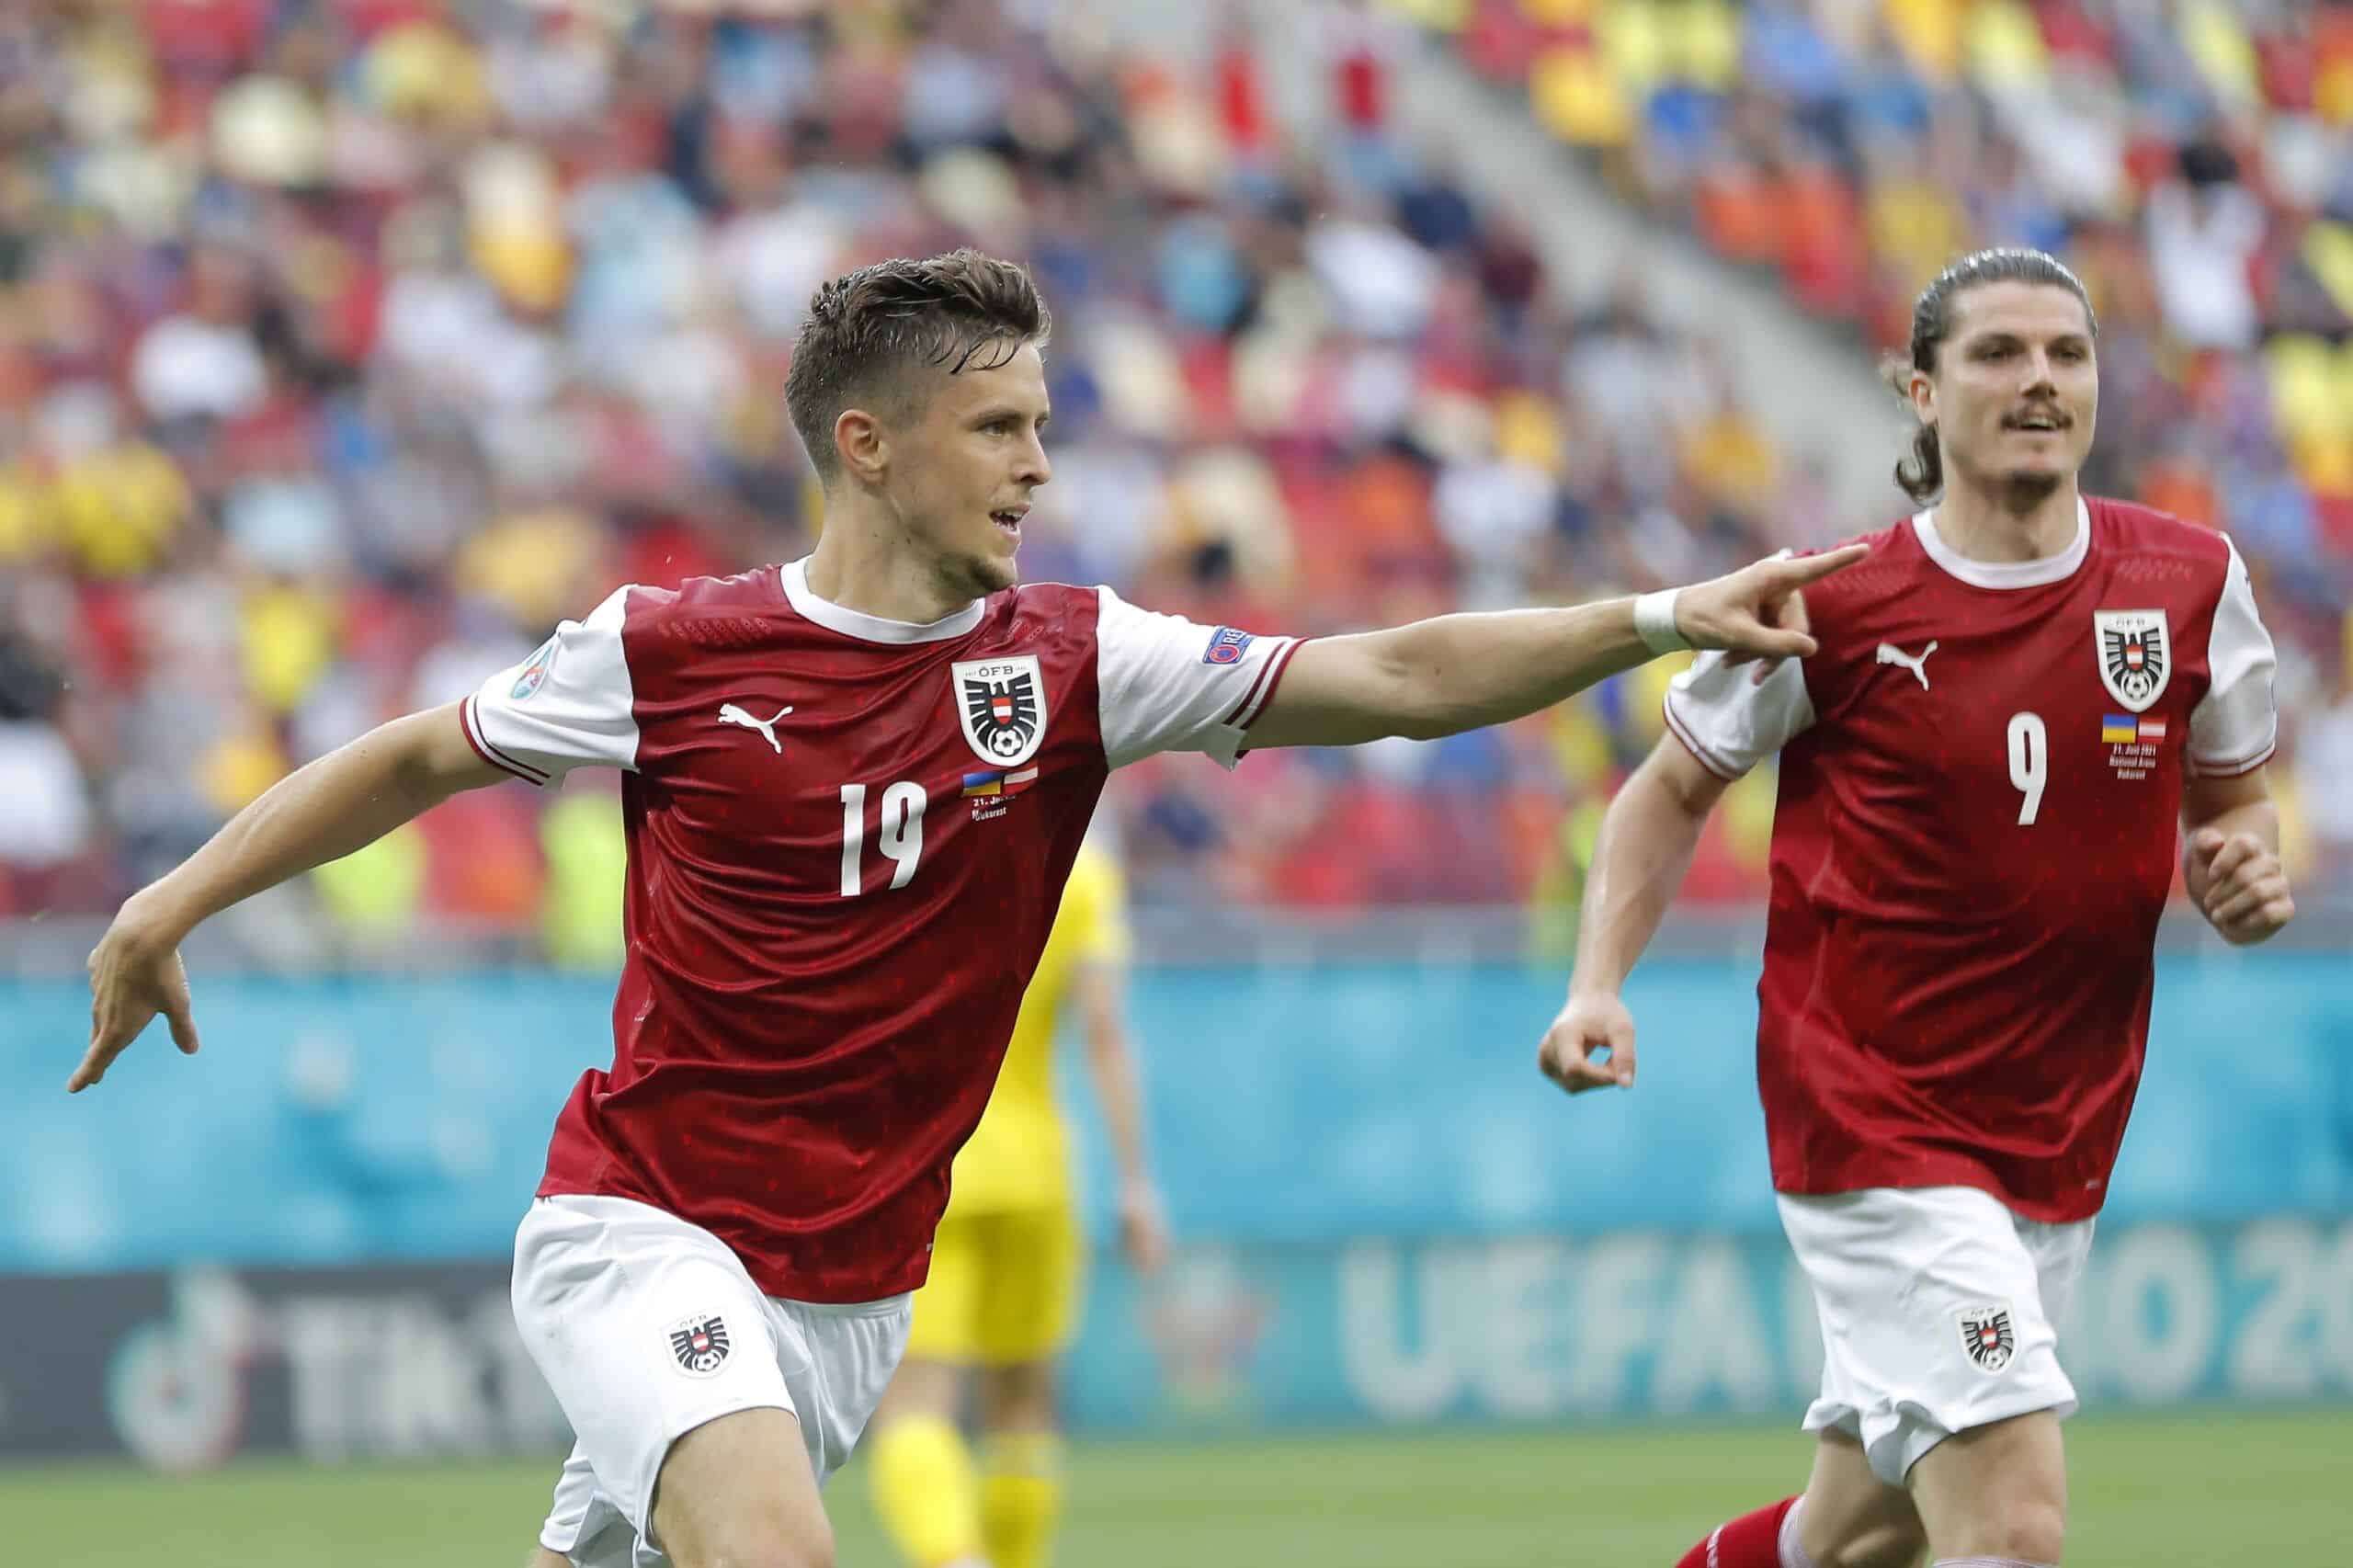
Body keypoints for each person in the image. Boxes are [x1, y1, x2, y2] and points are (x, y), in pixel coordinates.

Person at [72, 248, 1862, 1568]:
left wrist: (1648, 617)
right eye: (994, 426)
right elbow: (411, 757)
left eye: (1041, 425)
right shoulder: (672, 652)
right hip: (639, 1228)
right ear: (867, 444)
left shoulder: (1078, 662)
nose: (1034, 463)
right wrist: (170, 901)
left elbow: (1387, 673)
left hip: (853, 1293)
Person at [1535, 248, 2293, 1568]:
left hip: (2058, 1127)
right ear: (1920, 393)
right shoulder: (1829, 599)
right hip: (1873, 1111)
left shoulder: (2188, 585)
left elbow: (2233, 809)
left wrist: (2246, 871)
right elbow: (1666, 791)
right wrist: (1597, 978)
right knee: (2013, 1515)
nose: (2040, 379)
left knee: (1856, 1532)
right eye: (1998, 353)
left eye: (2067, 353)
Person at [863, 831, 1165, 1568]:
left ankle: (955, 1559)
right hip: (1036, 1174)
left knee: (913, 1405)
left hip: (926, 1170)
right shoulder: (1082, 873)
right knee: (1023, 1407)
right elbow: (1104, 1034)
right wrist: (1135, 1183)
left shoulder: (912, 858)